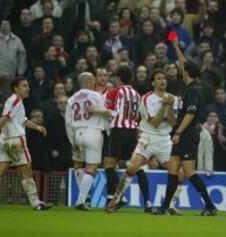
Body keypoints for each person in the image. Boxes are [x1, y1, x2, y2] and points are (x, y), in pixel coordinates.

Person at [152, 38, 217, 216]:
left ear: (186, 73)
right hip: (181, 134)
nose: (180, 70)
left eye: (183, 70)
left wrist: (178, 132)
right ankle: (165, 207)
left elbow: (190, 113)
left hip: (187, 134)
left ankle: (210, 206)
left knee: (189, 172)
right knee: (172, 170)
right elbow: (184, 64)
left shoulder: (194, 90)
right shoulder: (193, 85)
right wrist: (176, 47)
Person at [106, 69, 178, 214]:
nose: (162, 80)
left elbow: (173, 122)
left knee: (177, 172)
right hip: (148, 137)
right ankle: (115, 200)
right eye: (158, 78)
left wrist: (169, 105)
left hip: (165, 140)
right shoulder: (146, 98)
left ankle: (169, 205)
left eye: (164, 78)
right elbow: (155, 123)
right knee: (132, 168)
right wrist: (164, 106)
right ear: (152, 82)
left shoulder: (173, 99)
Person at [0, 77, 52, 210]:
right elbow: (4, 117)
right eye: (24, 86)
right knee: (27, 171)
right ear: (16, 88)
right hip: (15, 139)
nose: (28, 88)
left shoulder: (15, 102)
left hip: (5, 141)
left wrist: (38, 127)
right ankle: (36, 204)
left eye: (28, 85)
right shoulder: (15, 99)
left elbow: (22, 120)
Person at [93, 66, 142, 211]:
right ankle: (111, 199)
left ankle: (120, 197)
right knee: (128, 167)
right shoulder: (137, 94)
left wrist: (93, 110)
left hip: (118, 132)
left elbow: (110, 111)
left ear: (118, 78)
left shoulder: (115, 92)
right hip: (132, 132)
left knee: (108, 165)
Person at [65, 72, 108, 211]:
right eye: (93, 80)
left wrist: (72, 141)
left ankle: (84, 198)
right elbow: (104, 113)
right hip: (93, 132)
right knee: (91, 169)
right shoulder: (96, 96)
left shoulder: (71, 99)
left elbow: (68, 122)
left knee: (78, 165)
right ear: (89, 81)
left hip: (77, 133)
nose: (95, 82)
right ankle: (81, 200)